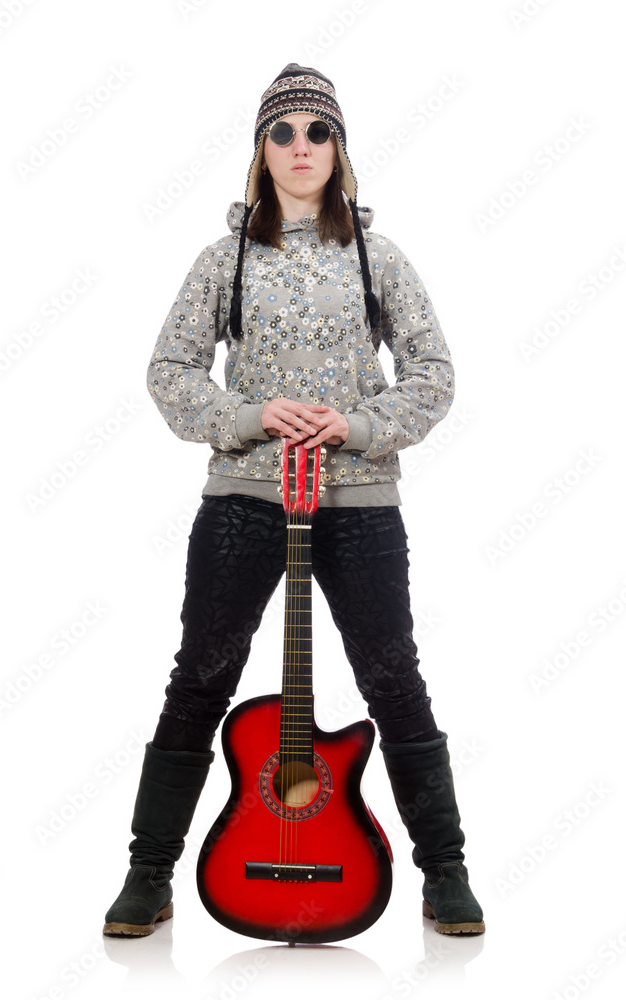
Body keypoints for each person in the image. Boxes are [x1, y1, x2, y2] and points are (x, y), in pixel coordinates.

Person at [103, 63, 485, 939]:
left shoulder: (377, 256)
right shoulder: (224, 258)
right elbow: (169, 372)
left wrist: (354, 424)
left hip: (358, 501)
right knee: (200, 674)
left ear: (340, 149)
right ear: (260, 151)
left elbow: (434, 375)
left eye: (319, 131)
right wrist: (247, 414)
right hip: (246, 496)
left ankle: (447, 872)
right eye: (283, 132)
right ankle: (148, 873)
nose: (301, 146)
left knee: (394, 678)